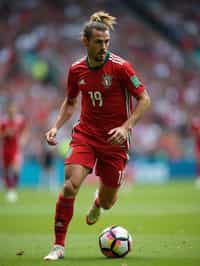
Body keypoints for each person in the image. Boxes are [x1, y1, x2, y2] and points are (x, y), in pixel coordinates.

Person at [44, 11, 151, 260]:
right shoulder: (76, 69)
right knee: (70, 186)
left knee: (108, 202)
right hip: (86, 135)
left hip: (115, 142)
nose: (103, 47)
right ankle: (58, 246)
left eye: (107, 42)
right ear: (86, 42)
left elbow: (145, 99)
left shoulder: (121, 67)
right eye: (98, 42)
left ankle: (97, 204)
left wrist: (126, 127)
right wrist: (55, 127)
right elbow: (70, 102)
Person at [0, 103, 28, 202]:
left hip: (16, 149)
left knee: (16, 169)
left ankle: (12, 189)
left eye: (14, 111)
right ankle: (9, 189)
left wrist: (23, 139)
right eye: (10, 111)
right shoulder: (3, 121)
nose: (12, 112)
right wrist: (5, 133)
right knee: (6, 170)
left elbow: (25, 132)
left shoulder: (20, 120)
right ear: (8, 111)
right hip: (5, 149)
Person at [191, 117, 200, 187]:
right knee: (198, 162)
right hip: (198, 145)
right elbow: (194, 134)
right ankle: (198, 178)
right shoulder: (195, 121)